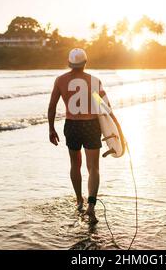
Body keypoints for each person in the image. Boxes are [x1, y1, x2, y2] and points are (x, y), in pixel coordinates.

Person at [48, 48, 111, 224]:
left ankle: (79, 200)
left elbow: (52, 106)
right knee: (93, 168)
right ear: (85, 63)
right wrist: (115, 129)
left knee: (75, 164)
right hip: (91, 125)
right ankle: (91, 206)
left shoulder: (60, 80)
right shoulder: (94, 81)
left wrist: (51, 129)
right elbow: (106, 105)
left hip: (72, 125)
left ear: (69, 63)